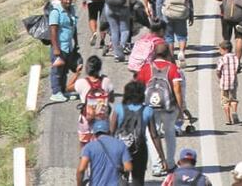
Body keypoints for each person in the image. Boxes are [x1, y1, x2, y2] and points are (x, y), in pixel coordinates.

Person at [135, 43, 184, 178]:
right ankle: (170, 163)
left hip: (150, 108)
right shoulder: (173, 68)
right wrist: (181, 109)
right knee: (169, 133)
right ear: (168, 54)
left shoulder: (146, 68)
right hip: (169, 107)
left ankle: (156, 166)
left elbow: (138, 87)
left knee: (151, 135)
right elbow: (177, 89)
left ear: (154, 54)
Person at [110, 80, 165, 183]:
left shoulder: (118, 109)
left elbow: (111, 132)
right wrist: (162, 157)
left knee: (120, 179)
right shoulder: (148, 110)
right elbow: (154, 135)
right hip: (139, 149)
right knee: (138, 180)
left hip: (120, 149)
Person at [76, 118, 132, 186]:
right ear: (109, 132)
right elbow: (128, 167)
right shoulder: (121, 145)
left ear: (95, 134)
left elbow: (81, 169)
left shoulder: (89, 147)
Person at [49, 0, 80, 102]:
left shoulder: (71, 10)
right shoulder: (55, 12)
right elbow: (53, 31)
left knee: (64, 71)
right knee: (57, 71)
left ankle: (63, 91)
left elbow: (73, 27)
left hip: (68, 46)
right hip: (59, 46)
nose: (68, 2)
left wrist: (76, 42)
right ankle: (55, 92)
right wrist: (56, 49)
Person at [216, 39, 240, 125]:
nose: (219, 51)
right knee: (233, 98)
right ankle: (234, 112)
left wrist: (219, 77)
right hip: (233, 82)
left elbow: (219, 70)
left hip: (224, 83)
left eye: (220, 49)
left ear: (225, 50)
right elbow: (237, 68)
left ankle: (228, 119)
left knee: (225, 101)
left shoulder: (222, 59)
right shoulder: (235, 58)